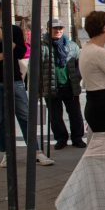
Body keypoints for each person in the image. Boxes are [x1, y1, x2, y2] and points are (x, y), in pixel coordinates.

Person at [0, 0, 54, 167]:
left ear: (0, 10)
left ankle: (36, 152)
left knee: (25, 116)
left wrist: (2, 37)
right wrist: (6, 53)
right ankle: (6, 153)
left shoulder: (13, 30)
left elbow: (19, 52)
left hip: (14, 80)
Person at [40, 18, 85, 150]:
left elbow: (80, 65)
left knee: (75, 114)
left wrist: (77, 77)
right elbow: (35, 68)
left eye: (60, 28)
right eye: (55, 28)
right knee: (55, 116)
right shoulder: (42, 47)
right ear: (49, 30)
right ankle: (61, 138)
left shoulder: (72, 46)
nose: (58, 31)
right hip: (51, 86)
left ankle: (77, 138)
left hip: (70, 86)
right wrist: (37, 89)